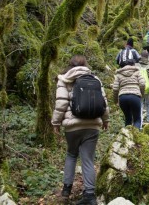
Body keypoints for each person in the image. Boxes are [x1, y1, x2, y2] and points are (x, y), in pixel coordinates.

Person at [51, 55, 110, 205]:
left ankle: (66, 191)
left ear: (70, 65)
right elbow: (104, 102)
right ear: (85, 65)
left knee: (71, 155)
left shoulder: (64, 79)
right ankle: (90, 195)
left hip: (72, 126)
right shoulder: (96, 79)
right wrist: (106, 120)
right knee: (88, 159)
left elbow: (61, 104)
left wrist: (56, 122)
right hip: (92, 126)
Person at [113, 59, 145, 129]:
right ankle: (136, 137)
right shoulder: (137, 72)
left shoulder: (118, 74)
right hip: (135, 96)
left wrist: (116, 101)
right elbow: (142, 84)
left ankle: (126, 137)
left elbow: (115, 89)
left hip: (122, 97)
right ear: (132, 65)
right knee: (137, 119)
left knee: (128, 118)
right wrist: (141, 94)